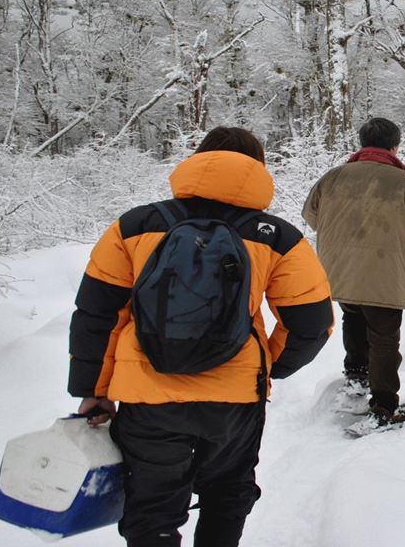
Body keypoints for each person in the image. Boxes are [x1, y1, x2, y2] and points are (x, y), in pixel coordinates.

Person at [69, 126, 334, 547]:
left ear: (199, 160)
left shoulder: (135, 226)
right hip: (235, 398)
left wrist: (93, 390)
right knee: (227, 492)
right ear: (257, 168)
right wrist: (269, 367)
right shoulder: (278, 237)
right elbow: (310, 322)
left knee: (152, 507)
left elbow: (98, 315)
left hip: (147, 396)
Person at [302, 117, 405, 427]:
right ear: (395, 146)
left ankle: (356, 377)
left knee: (353, 317)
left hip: (339, 268)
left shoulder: (332, 178)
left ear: (362, 143)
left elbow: (312, 216)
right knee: (384, 336)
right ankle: (383, 406)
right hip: (385, 270)